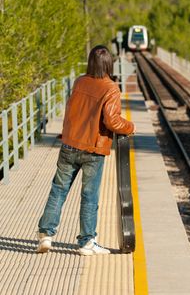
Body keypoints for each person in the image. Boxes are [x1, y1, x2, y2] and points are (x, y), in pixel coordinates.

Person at [37, 45, 135, 255]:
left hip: (69, 144)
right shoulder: (111, 88)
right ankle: (86, 242)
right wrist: (130, 126)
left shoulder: (80, 81)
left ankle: (46, 235)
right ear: (109, 64)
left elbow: (70, 111)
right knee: (89, 196)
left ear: (91, 62)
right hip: (93, 150)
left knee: (58, 190)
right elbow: (112, 121)